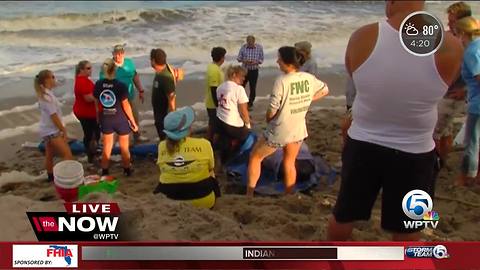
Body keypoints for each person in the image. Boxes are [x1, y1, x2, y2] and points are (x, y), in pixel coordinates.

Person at [327, 1, 463, 241]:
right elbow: (447, 84)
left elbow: (355, 76)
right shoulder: (450, 45)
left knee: (344, 215)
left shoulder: (363, 36)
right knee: (408, 227)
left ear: (390, 3)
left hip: (363, 142)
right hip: (415, 150)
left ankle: (334, 261)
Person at [247, 46, 329, 196]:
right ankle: (289, 193)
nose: (277, 61)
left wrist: (268, 118)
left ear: (287, 62)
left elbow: (272, 110)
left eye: (279, 58)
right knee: (289, 162)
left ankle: (249, 194)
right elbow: (325, 90)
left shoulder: (281, 81)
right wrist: (306, 100)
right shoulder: (308, 78)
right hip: (297, 129)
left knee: (255, 157)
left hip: (280, 130)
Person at [154, 107, 220, 209]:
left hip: (169, 199)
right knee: (210, 172)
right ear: (188, 128)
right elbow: (211, 168)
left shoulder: (162, 146)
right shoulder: (204, 144)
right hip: (203, 199)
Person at [434, 2, 472, 167]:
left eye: (453, 20)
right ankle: (441, 161)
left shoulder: (470, 42)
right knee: (446, 129)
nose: (449, 23)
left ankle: (434, 164)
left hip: (453, 93)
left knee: (433, 133)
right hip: (442, 90)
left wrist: (465, 91)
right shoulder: (449, 36)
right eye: (449, 19)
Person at [94, 58, 139, 176]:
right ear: (115, 70)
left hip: (106, 118)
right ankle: (127, 169)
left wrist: (98, 117)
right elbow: (126, 106)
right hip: (120, 119)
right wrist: (133, 121)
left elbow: (97, 103)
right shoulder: (120, 85)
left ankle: (105, 170)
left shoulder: (98, 85)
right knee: (124, 147)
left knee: (107, 146)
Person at [100, 44, 147, 144]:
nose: (118, 56)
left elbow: (135, 76)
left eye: (120, 53)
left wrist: (141, 90)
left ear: (123, 53)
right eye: (116, 54)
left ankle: (137, 136)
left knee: (134, 116)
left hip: (130, 96)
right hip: (115, 101)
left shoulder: (129, 63)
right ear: (113, 54)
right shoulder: (108, 65)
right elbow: (102, 84)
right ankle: (115, 143)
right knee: (118, 122)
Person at [34, 70, 73, 182]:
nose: (54, 78)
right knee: (67, 155)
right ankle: (65, 178)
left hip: (45, 129)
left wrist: (57, 81)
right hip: (51, 131)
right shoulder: (47, 97)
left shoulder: (45, 93)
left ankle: (50, 177)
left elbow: (62, 81)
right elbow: (54, 116)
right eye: (52, 77)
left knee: (49, 154)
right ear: (46, 80)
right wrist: (63, 130)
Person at [455, 16, 480, 186]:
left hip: (478, 105)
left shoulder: (471, 51)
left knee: (471, 142)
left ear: (463, 33)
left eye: (457, 34)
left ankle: (466, 178)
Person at [215, 65, 251, 152]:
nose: (243, 79)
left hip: (219, 121)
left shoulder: (220, 87)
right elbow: (243, 111)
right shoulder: (239, 89)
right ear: (234, 75)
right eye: (242, 76)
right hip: (231, 125)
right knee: (248, 134)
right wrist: (248, 125)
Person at [73, 60, 100, 163]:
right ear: (81, 70)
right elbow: (88, 98)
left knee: (92, 133)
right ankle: (91, 156)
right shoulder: (82, 81)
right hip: (85, 113)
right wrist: (100, 94)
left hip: (86, 112)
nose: (91, 70)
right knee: (92, 134)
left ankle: (92, 153)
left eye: (91, 68)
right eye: (88, 68)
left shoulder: (84, 80)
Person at [150, 48, 176, 140]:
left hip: (164, 115)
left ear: (153, 61)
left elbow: (171, 97)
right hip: (158, 112)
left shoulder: (165, 77)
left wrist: (172, 115)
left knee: (164, 135)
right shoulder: (160, 72)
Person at [205, 47, 227, 142]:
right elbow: (214, 88)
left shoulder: (212, 66)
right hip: (213, 103)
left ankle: (209, 141)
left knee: (212, 123)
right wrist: (217, 105)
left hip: (212, 101)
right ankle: (211, 143)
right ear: (222, 58)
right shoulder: (214, 70)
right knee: (215, 125)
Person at [237, 35, 264, 109]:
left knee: (253, 87)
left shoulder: (259, 47)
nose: (249, 44)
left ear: (254, 42)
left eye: (251, 43)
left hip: (254, 70)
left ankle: (250, 103)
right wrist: (244, 61)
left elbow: (261, 59)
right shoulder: (243, 47)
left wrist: (256, 62)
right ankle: (240, 101)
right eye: (248, 43)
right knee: (241, 86)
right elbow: (239, 58)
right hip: (244, 70)